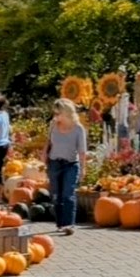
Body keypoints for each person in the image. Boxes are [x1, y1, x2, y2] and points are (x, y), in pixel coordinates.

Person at [46, 98, 88, 233]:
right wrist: (43, 153)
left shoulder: (78, 129)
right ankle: (60, 223)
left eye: (58, 114)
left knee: (68, 194)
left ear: (67, 113)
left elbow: (82, 151)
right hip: (54, 163)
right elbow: (49, 142)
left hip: (71, 164)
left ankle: (69, 225)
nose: (56, 116)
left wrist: (83, 169)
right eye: (55, 113)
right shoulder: (53, 125)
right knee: (56, 195)